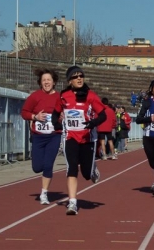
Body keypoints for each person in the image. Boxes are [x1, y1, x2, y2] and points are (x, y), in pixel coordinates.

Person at [52, 66, 106, 215]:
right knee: (72, 169)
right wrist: (57, 124)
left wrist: (93, 123)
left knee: (87, 174)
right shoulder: (63, 96)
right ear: (70, 81)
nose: (79, 78)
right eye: (75, 77)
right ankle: (72, 203)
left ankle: (92, 168)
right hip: (70, 137)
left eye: (81, 76)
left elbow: (103, 115)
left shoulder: (91, 96)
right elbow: (55, 114)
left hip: (88, 138)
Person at [21, 68, 62, 205]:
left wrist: (61, 118)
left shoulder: (59, 98)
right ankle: (43, 188)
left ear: (54, 82)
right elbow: (24, 112)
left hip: (54, 136)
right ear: (40, 82)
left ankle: (44, 193)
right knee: (37, 167)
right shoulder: (35, 96)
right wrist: (35, 116)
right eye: (44, 80)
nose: (46, 82)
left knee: (48, 164)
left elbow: (66, 113)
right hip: (38, 136)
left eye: (48, 80)